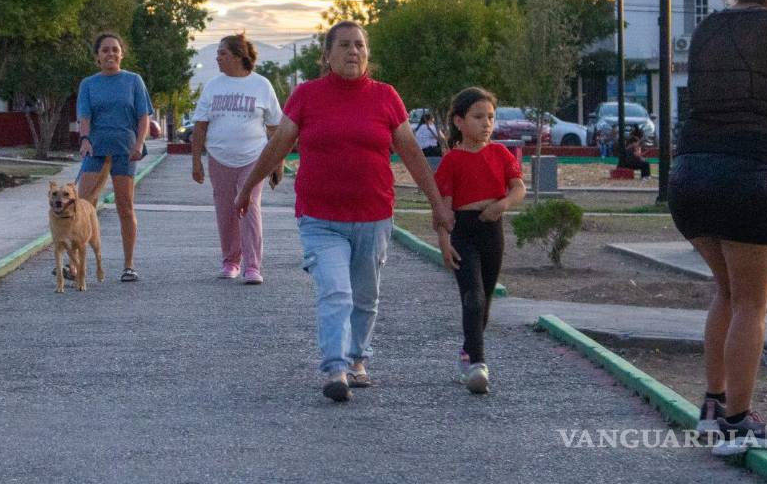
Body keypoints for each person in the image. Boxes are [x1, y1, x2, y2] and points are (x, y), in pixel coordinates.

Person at [233, 20, 455, 403]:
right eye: (345, 46)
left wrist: (437, 203)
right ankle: (335, 367)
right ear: (327, 55)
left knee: (365, 297)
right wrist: (249, 184)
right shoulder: (306, 95)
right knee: (336, 291)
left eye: (360, 46)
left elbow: (412, 154)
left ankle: (357, 359)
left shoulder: (385, 97)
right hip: (320, 217)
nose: (354, 52)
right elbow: (280, 144)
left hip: (373, 215)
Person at [668, 0, 767, 456]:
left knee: (725, 293)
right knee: (752, 302)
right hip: (745, 176)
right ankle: (738, 421)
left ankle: (711, 408)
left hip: (688, 178)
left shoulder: (705, 28)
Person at [435, 87, 526, 394]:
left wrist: (502, 205)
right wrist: (444, 241)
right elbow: (444, 208)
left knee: (484, 301)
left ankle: (467, 349)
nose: (486, 123)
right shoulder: (451, 162)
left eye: (490, 117)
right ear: (459, 121)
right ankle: (478, 363)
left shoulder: (500, 153)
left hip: (492, 231)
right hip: (464, 231)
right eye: (477, 117)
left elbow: (518, 188)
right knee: (472, 296)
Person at [190, 33, 283, 284]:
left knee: (249, 205)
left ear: (239, 56)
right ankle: (231, 261)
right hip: (219, 157)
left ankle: (253, 266)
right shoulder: (213, 86)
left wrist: (278, 163)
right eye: (218, 53)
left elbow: (275, 127)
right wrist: (196, 161)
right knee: (225, 210)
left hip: (254, 157)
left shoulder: (261, 85)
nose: (217, 57)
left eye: (223, 53)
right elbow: (200, 126)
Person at [76, 33, 153, 283]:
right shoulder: (88, 84)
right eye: (105, 50)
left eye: (115, 50)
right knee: (83, 206)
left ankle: (128, 265)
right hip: (96, 149)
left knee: (125, 207)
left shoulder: (133, 81)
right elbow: (84, 117)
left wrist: (140, 143)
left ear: (122, 54)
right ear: (97, 56)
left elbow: (143, 117)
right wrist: (85, 140)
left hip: (125, 149)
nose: (110, 54)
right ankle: (75, 265)